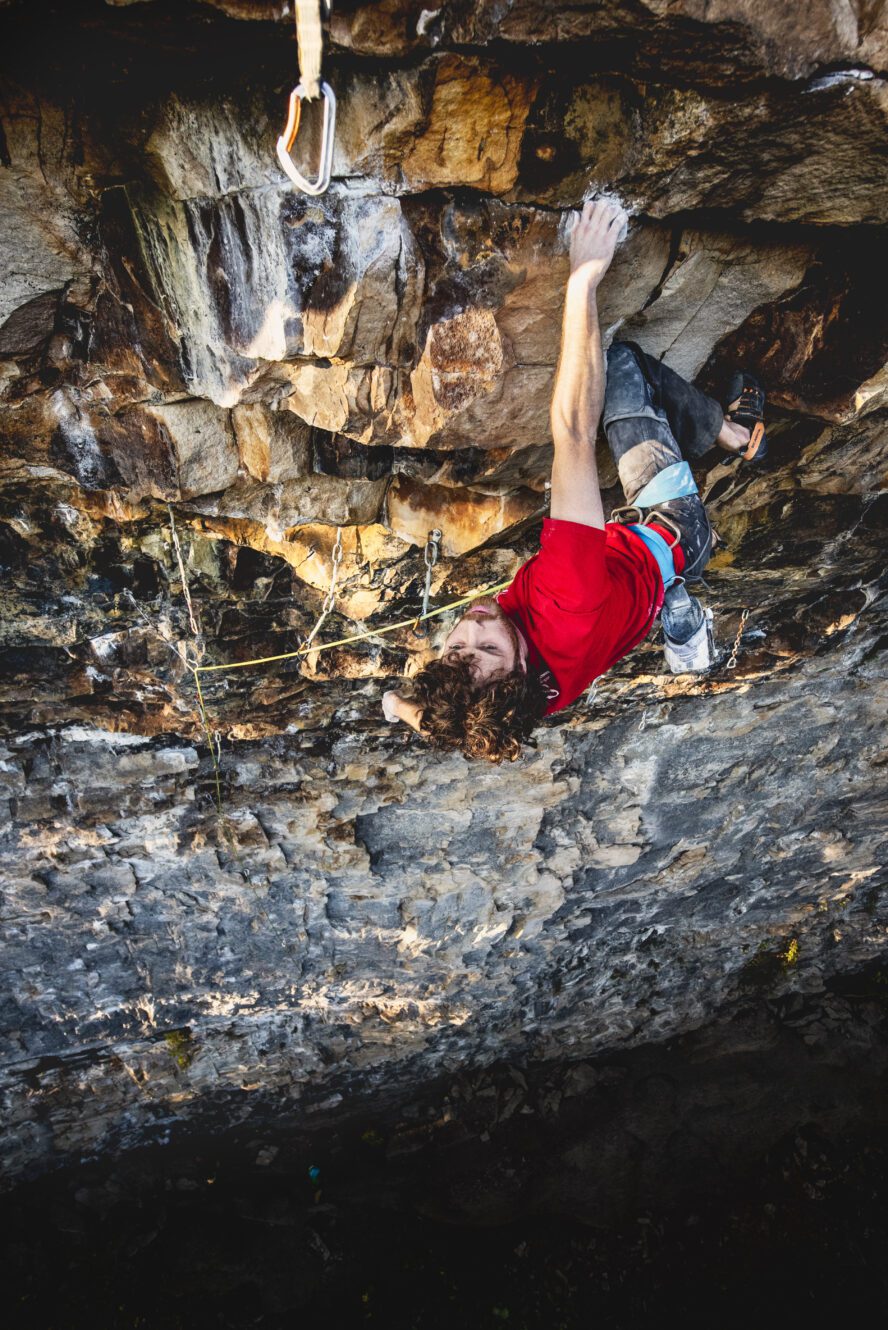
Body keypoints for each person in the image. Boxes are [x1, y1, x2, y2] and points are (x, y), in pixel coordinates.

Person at [382, 198, 767, 762]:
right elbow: (573, 432)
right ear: (518, 672)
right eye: (487, 645)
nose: (474, 621)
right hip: (669, 526)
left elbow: (446, 725)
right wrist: (584, 278)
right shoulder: (567, 595)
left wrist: (399, 706)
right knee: (616, 366)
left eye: (457, 644)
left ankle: (677, 615)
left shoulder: (502, 702)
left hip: (628, 596)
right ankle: (732, 433)